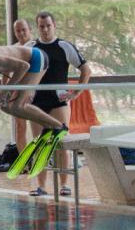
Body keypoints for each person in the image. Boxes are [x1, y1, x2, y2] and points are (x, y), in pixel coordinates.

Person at [28, 11, 91, 197]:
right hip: (36, 102)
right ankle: (41, 186)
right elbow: (18, 69)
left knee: (61, 142)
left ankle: (64, 184)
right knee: (40, 145)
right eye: (41, 26)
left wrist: (77, 91)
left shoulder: (64, 46)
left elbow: (86, 70)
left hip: (58, 102)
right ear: (37, 28)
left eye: (48, 26)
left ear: (54, 26)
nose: (45, 29)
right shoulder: (31, 47)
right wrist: (25, 92)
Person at [12, 18, 34, 157]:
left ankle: (41, 159)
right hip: (18, 91)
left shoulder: (37, 46)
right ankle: (24, 161)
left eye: (24, 30)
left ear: (30, 30)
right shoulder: (13, 49)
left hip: (35, 90)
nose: (21, 33)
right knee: (20, 127)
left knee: (39, 127)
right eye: (18, 31)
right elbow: (8, 71)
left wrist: (31, 89)